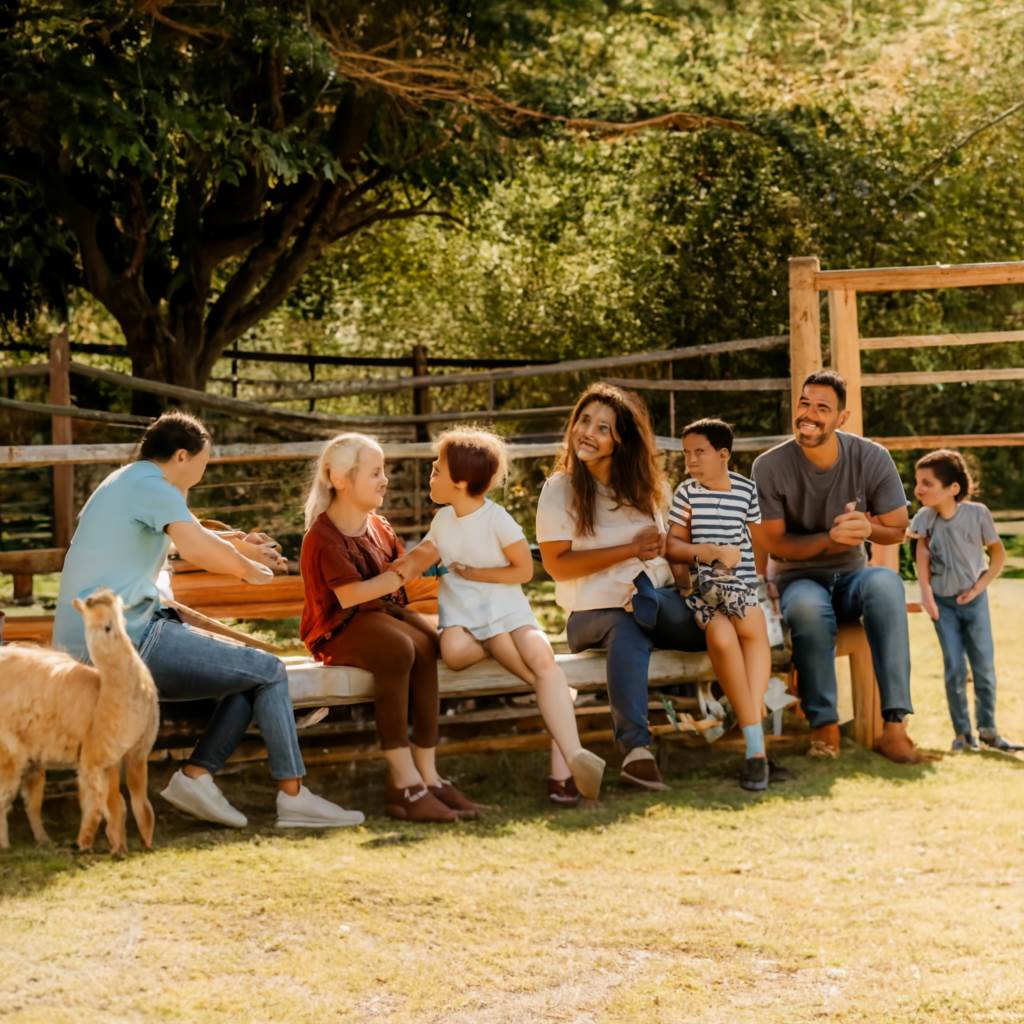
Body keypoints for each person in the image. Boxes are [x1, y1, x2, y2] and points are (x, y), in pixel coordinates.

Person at [53, 411, 362, 830]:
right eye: (204, 460)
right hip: (128, 639)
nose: (204, 468)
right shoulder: (153, 486)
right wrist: (247, 572)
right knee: (269, 670)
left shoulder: (128, 482)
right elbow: (197, 546)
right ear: (183, 455)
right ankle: (294, 799)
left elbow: (195, 534)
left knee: (244, 680)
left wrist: (244, 548)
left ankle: (196, 778)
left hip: (101, 640)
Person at [536, 383, 707, 792]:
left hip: (655, 600)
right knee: (626, 622)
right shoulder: (559, 490)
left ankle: (747, 730)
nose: (588, 432)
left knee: (711, 620)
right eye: (584, 421)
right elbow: (558, 567)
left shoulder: (649, 490)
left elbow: (668, 557)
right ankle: (636, 754)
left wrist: (677, 563)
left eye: (603, 428)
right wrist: (627, 549)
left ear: (621, 440)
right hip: (592, 614)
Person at [299, 433, 476, 823]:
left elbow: (408, 566)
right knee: (398, 649)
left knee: (429, 642)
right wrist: (402, 574)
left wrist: (447, 558)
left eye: (384, 471)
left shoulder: (377, 526)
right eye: (375, 472)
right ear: (341, 479)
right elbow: (350, 598)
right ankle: (403, 777)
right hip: (339, 628)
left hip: (380, 616)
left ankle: (427, 775)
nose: (385, 480)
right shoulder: (323, 536)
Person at [750, 369, 924, 762]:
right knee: (809, 608)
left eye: (822, 407)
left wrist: (868, 527)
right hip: (797, 579)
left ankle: (895, 727)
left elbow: (897, 529)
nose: (809, 414)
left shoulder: (871, 456)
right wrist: (830, 538)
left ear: (842, 418)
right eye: (804, 403)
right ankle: (823, 724)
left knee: (885, 584)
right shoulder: (769, 466)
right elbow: (775, 543)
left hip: (853, 578)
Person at [426, 428, 606, 806]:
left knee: (542, 656)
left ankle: (572, 759)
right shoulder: (442, 521)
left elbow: (523, 572)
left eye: (437, 469)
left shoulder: (498, 519)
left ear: (460, 482)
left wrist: (477, 574)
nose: (431, 472)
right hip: (469, 621)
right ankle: (559, 697)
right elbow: (425, 558)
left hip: (507, 612)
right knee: (457, 651)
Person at [666, 418, 777, 791]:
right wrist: (708, 552)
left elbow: (755, 542)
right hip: (702, 587)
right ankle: (756, 736)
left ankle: (753, 746)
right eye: (686, 454)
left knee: (749, 629)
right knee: (725, 638)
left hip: (742, 585)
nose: (691, 461)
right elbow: (672, 548)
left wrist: (765, 581)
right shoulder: (687, 493)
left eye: (700, 452)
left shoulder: (746, 490)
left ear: (723, 454)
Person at [910, 449, 1017, 753]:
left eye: (927, 483)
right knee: (954, 668)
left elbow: (997, 555)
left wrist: (979, 587)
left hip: (974, 602)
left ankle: (988, 731)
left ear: (952, 488)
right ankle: (962, 734)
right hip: (943, 605)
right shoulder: (924, 519)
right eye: (917, 482)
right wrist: (927, 595)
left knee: (983, 666)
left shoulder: (977, 514)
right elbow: (922, 554)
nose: (919, 489)